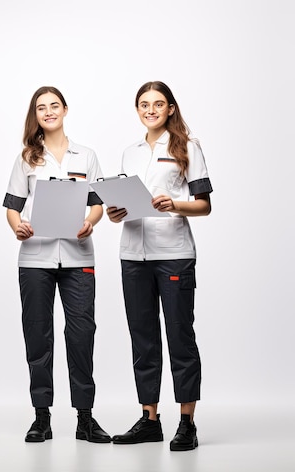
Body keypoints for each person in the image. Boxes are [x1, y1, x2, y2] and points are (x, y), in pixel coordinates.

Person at [107, 81, 212, 451]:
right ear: (137, 110)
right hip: (133, 255)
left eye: (158, 104)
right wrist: (114, 213)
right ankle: (149, 419)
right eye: (143, 104)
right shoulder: (129, 153)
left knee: (181, 336)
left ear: (170, 108)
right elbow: (121, 206)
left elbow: (204, 204)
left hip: (174, 253)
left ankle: (187, 423)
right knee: (143, 338)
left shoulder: (187, 146)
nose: (150, 110)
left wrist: (176, 205)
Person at [3, 86, 111, 443]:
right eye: (40, 108)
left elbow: (97, 203)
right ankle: (41, 417)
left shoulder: (87, 156)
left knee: (81, 335)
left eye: (54, 106)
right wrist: (16, 225)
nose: (48, 112)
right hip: (36, 256)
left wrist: (91, 221)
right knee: (38, 335)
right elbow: (12, 206)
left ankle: (85, 417)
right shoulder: (26, 159)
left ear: (65, 109)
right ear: (35, 116)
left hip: (79, 256)